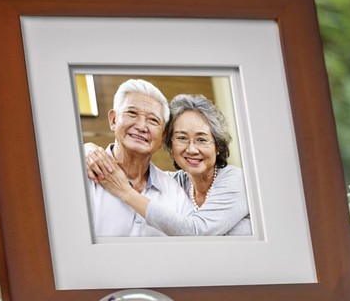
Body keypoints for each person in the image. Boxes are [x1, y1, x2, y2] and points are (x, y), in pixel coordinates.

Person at [86, 93, 251, 236]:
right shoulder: (175, 183)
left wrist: (125, 191)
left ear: (217, 146)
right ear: (170, 144)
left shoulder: (236, 179)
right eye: (182, 138)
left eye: (201, 139)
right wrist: (88, 151)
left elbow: (197, 232)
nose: (192, 149)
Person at [86, 79, 192, 236]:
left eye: (153, 120)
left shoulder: (175, 192)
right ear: (113, 120)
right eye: (132, 113)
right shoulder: (84, 174)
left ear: (163, 136)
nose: (142, 127)